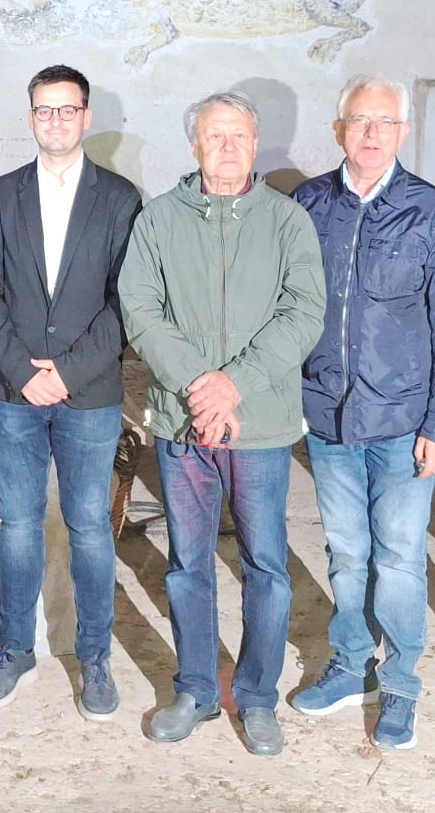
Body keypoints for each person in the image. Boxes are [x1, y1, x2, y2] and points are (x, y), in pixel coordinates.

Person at [118, 92, 326, 756]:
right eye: (215, 136)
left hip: (259, 423)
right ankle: (197, 690)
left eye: (239, 135)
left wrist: (234, 385)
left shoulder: (288, 220)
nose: (228, 146)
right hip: (183, 422)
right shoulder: (158, 220)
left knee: (266, 565)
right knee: (188, 564)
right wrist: (200, 389)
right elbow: (140, 309)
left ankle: (257, 698)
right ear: (194, 146)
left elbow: (304, 313)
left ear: (256, 142)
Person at [287, 76, 435, 752]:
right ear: (339, 129)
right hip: (330, 420)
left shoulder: (429, 211)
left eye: (385, 122)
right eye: (360, 121)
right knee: (346, 552)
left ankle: (399, 683)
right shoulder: (308, 205)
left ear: (403, 132)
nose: (372, 134)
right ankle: (349, 664)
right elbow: (288, 307)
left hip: (403, 424)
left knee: (397, 558)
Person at [0, 64, 142, 719]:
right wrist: (23, 370)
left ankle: (95, 659)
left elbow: (126, 301)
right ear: (31, 118)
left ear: (86, 117)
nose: (57, 120)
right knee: (17, 526)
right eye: (45, 110)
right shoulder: (2, 194)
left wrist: (66, 373)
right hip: (13, 394)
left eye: (68, 109)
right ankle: (13, 652)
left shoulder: (119, 198)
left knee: (90, 527)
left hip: (88, 395)